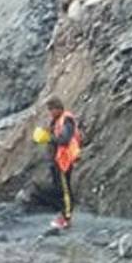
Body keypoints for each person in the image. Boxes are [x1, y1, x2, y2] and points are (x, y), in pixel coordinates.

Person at [38, 96, 82, 231]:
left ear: (58, 108)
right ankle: (63, 215)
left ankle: (66, 218)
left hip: (64, 160)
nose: (50, 112)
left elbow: (64, 139)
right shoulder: (57, 121)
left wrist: (48, 138)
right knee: (59, 189)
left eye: (51, 109)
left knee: (65, 190)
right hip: (57, 159)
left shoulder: (66, 120)